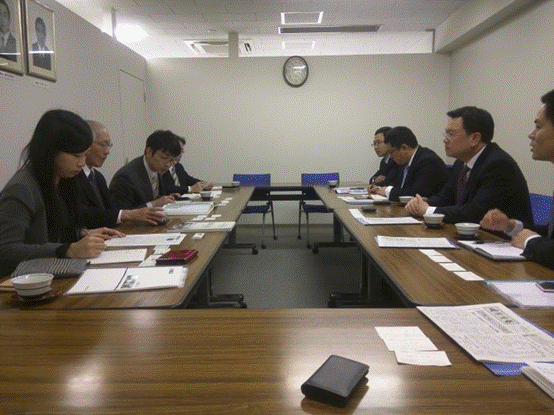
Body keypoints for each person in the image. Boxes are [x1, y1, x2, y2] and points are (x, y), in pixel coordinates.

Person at [0, 110, 123, 276]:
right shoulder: (21, 189)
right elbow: (6, 251)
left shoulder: (62, 180)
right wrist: (68, 249)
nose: (82, 163)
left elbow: (53, 234)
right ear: (50, 151)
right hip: (23, 283)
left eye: (85, 155)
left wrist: (81, 234)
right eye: (76, 155)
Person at [406, 106, 532, 224]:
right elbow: (445, 197)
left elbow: (475, 213)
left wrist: (428, 210)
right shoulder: (461, 162)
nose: (445, 139)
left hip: (503, 238)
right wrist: (421, 202)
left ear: (475, 138)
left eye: (451, 134)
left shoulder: (498, 165)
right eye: (446, 133)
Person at [480, 89, 554, 268]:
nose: (531, 134)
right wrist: (511, 226)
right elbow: (550, 235)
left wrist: (530, 241)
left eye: (538, 127)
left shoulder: (498, 163)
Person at [77, 120, 168, 228]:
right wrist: (126, 214)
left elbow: (109, 211)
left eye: (109, 145)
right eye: (102, 144)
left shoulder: (97, 177)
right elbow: (83, 215)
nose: (107, 151)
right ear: (85, 144)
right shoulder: (72, 176)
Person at [368, 126, 447, 201]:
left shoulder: (428, 161)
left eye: (391, 152)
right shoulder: (404, 162)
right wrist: (379, 189)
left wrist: (386, 191)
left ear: (404, 148)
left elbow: (416, 193)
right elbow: (397, 186)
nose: (391, 156)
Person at [109, 130, 181, 210]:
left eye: (171, 160)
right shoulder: (126, 177)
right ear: (149, 152)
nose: (168, 164)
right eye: (164, 158)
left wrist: (164, 198)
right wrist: (153, 204)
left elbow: (151, 196)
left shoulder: (159, 169)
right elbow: (121, 213)